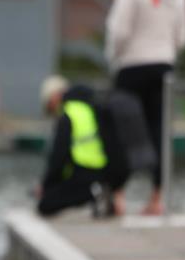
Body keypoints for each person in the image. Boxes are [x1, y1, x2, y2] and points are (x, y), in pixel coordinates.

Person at [105, 0, 185, 215]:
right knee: (159, 131)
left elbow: (119, 32)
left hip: (131, 67)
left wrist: (114, 58)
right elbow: (182, 37)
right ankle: (157, 197)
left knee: (122, 130)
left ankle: (117, 194)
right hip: (163, 66)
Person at [36, 76, 128, 218]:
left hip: (89, 173)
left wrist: (46, 186)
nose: (51, 110)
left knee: (45, 204)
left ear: (55, 96)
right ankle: (102, 194)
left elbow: (58, 158)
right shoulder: (91, 106)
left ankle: (95, 194)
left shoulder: (69, 114)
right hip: (109, 172)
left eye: (49, 104)